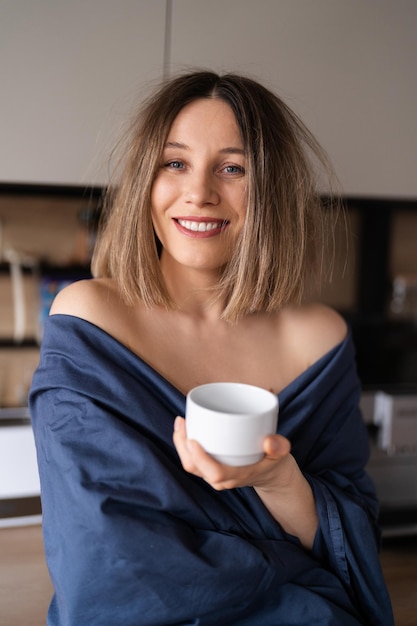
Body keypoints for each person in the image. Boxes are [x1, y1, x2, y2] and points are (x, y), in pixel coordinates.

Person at [29, 70, 394, 626]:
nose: (199, 192)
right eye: (174, 163)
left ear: (271, 188)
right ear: (145, 180)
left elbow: (354, 539)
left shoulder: (320, 339)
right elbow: (104, 560)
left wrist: (278, 481)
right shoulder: (89, 317)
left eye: (233, 168)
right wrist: (286, 552)